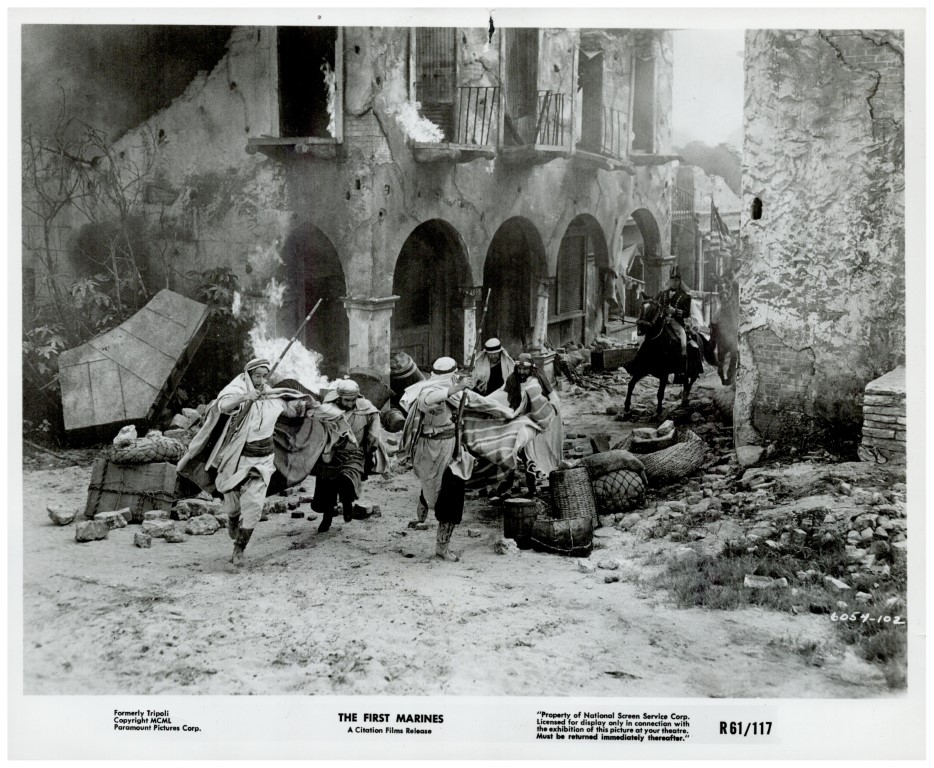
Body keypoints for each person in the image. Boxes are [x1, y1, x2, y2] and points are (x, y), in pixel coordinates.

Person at [200, 358, 312, 566]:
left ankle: (239, 548)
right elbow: (223, 405)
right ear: (248, 375)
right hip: (237, 456)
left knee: (254, 505)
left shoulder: (272, 397)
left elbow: (291, 409)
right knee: (231, 500)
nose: (260, 380)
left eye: (264, 376)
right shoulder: (237, 390)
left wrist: (308, 406)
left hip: (263, 460)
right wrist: (246, 397)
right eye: (257, 376)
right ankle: (233, 518)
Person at [399, 357, 473, 562]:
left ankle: (442, 546)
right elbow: (428, 400)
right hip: (429, 449)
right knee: (433, 489)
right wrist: (455, 388)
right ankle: (425, 498)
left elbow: (469, 403)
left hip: (452, 448)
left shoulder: (456, 389)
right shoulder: (427, 390)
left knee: (453, 494)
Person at [311, 378, 390, 533]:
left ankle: (347, 504)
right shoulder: (327, 410)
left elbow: (375, 417)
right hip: (331, 454)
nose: (350, 403)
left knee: (348, 480)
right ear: (339, 398)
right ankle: (327, 517)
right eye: (346, 400)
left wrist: (372, 437)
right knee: (327, 487)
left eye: (353, 400)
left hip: (354, 454)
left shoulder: (365, 407)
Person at [503, 353, 563, 494]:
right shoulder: (512, 379)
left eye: (525, 369)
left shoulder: (537, 380)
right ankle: (527, 485)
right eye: (519, 369)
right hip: (523, 419)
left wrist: (547, 415)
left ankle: (541, 482)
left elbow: (550, 399)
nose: (522, 372)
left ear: (531, 369)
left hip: (540, 420)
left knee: (540, 452)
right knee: (524, 451)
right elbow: (508, 399)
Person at [655, 265, 693, 378]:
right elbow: (656, 306)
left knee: (683, 344)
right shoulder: (662, 294)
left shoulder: (685, 296)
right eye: (672, 280)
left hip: (676, 324)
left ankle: (681, 370)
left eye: (677, 280)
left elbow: (687, 313)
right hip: (662, 322)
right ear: (669, 281)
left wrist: (675, 311)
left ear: (680, 281)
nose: (674, 282)